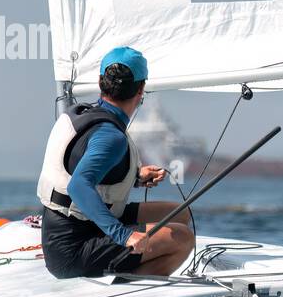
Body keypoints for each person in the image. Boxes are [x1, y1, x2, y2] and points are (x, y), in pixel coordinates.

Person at [36, 46, 194, 278]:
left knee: (180, 213)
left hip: (82, 224)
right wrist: (124, 235)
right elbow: (78, 186)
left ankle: (132, 273)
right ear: (141, 89)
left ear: (101, 82)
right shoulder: (111, 136)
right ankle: (131, 294)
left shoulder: (82, 114)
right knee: (181, 238)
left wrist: (136, 177)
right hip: (72, 248)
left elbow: (85, 170)